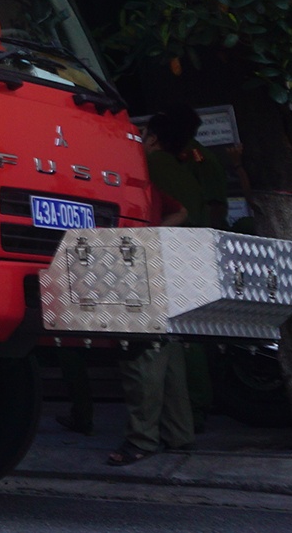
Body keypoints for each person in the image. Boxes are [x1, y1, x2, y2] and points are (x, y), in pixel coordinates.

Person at [108, 112, 201, 466]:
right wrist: (156, 238)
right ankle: (179, 434)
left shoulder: (123, 182)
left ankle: (141, 440)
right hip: (161, 264)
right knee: (168, 353)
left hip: (132, 267)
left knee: (141, 355)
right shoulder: (149, 186)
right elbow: (182, 212)